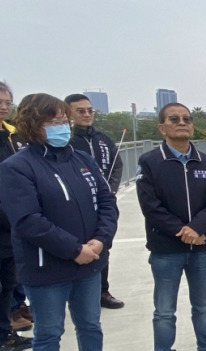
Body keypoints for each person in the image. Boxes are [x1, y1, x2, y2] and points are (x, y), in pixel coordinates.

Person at [0, 93, 125, 351]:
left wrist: (99, 240)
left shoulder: (81, 159)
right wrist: (74, 249)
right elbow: (28, 221)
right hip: (46, 267)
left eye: (63, 121)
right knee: (49, 333)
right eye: (53, 122)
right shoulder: (16, 168)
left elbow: (106, 203)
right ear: (32, 124)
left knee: (89, 324)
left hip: (89, 261)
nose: (62, 127)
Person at [136, 102, 206, 351]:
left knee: (203, 305)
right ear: (162, 127)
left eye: (187, 118)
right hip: (166, 250)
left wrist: (198, 229)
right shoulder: (150, 162)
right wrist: (182, 231)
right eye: (174, 119)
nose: (182, 122)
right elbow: (150, 206)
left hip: (202, 247)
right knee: (164, 309)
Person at [65, 94, 125, 310]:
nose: (86, 114)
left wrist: (111, 190)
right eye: (80, 110)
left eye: (90, 110)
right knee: (75, 246)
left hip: (103, 202)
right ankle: (73, 292)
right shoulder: (67, 140)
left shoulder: (102, 138)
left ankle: (102, 291)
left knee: (103, 245)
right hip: (75, 205)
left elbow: (117, 165)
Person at [0, 88, 30, 351]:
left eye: (7, 102)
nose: (3, 107)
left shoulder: (9, 137)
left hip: (9, 228)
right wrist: (10, 215)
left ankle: (4, 333)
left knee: (6, 284)